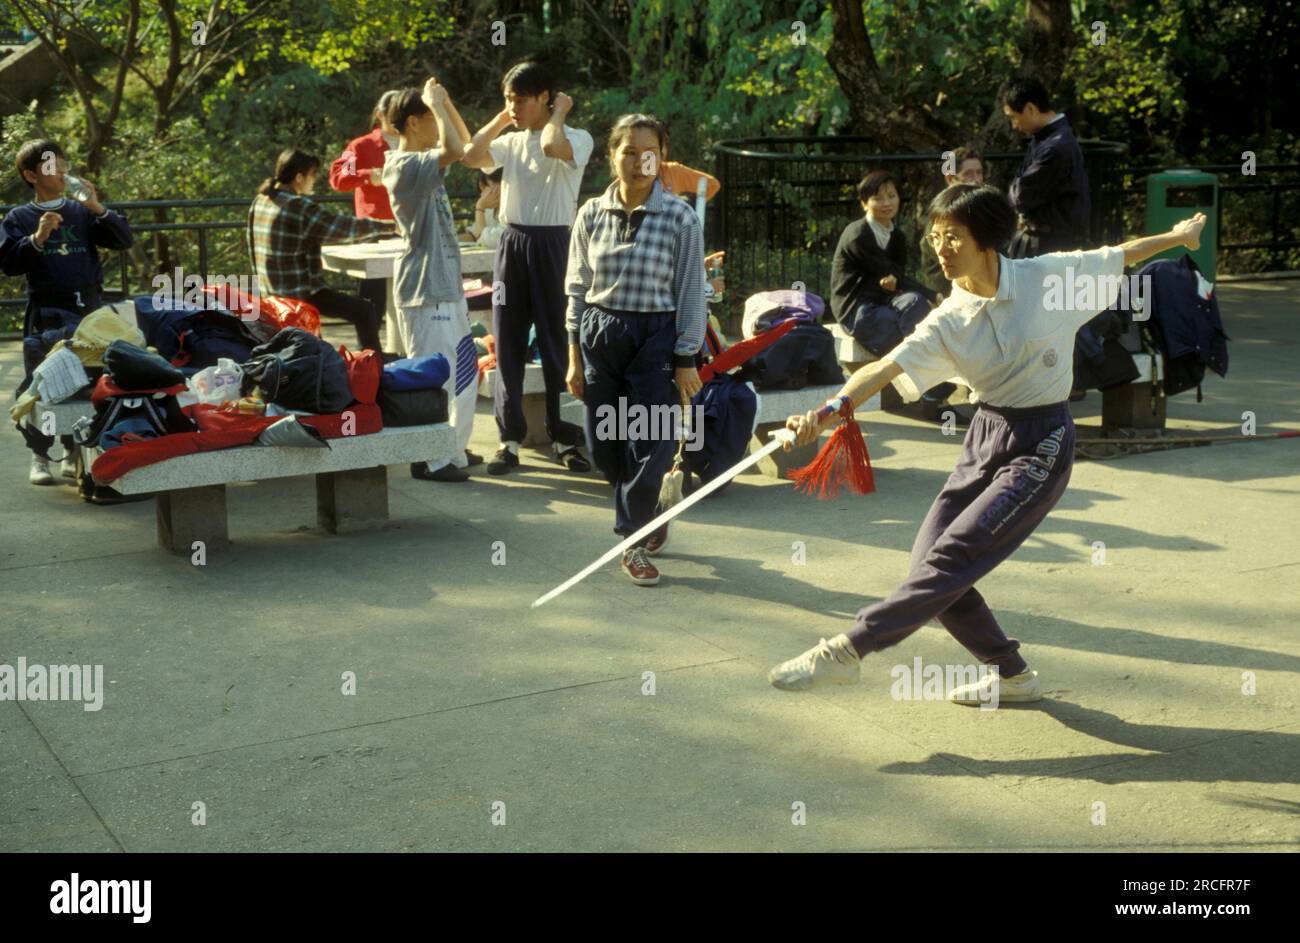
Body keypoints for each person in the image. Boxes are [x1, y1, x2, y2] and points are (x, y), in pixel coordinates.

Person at [767, 184, 1207, 702]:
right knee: (929, 566)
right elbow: (888, 366)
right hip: (986, 436)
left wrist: (1180, 236)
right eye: (935, 237)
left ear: (987, 240)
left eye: (954, 236)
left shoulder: (1047, 278)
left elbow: (1121, 254)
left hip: (1042, 440)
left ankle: (846, 650)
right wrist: (827, 412)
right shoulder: (949, 319)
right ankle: (1013, 675)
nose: (941, 248)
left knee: (950, 560)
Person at [564, 114, 705, 587]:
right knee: (604, 446)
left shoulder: (680, 217)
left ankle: (632, 539)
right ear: (612, 156)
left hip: (656, 341)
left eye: (650, 152)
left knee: (653, 442)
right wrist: (572, 354)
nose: (639, 161)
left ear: (660, 157)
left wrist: (686, 358)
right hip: (600, 335)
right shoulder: (590, 213)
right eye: (629, 150)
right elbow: (577, 287)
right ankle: (651, 509)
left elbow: (691, 291)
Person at [461, 60, 593, 476]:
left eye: (520, 99)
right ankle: (509, 439)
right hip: (513, 241)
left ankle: (566, 438)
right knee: (509, 342)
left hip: (556, 243)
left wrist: (558, 113)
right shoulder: (513, 141)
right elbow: (470, 155)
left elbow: (554, 147)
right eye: (507, 98)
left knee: (560, 344)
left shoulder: (576, 136)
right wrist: (503, 116)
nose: (513, 106)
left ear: (544, 98)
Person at [0, 139, 133, 485]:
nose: (60, 172)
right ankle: (40, 454)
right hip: (46, 310)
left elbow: (122, 239)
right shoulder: (19, 217)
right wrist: (38, 237)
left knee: (86, 381)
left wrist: (97, 207)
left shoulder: (81, 211)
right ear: (30, 175)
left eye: (63, 165)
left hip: (88, 310)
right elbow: (9, 263)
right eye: (50, 167)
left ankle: (74, 449)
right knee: (40, 382)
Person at [382, 80, 478, 483]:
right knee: (435, 374)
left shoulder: (422, 162)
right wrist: (439, 104)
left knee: (466, 372)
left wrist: (445, 101)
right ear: (413, 122)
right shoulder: (404, 166)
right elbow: (455, 150)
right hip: (424, 289)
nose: (437, 125)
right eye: (430, 118)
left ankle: (451, 448)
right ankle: (430, 459)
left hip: (444, 286)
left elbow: (466, 147)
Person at [247, 148, 395, 353]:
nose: (314, 181)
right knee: (365, 310)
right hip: (300, 294)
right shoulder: (297, 206)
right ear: (299, 177)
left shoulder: (261, 200)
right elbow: (341, 224)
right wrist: (389, 226)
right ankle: (373, 364)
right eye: (312, 175)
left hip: (272, 294)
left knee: (360, 310)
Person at [830, 170, 939, 357]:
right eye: (878, 198)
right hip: (857, 307)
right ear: (864, 204)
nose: (887, 203)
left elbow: (897, 275)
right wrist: (933, 294)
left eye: (891, 196)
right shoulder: (857, 235)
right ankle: (921, 377)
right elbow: (887, 271)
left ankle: (924, 370)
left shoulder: (897, 236)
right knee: (891, 325)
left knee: (916, 303)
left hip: (885, 299)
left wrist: (897, 282)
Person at [329, 89, 401, 335]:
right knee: (373, 297)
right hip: (374, 233)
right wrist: (369, 176)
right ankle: (371, 353)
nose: (397, 118)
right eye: (393, 113)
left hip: (409, 230)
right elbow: (340, 177)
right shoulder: (359, 146)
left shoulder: (415, 141)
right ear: (379, 114)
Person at [1001, 76, 1090, 258]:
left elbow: (1020, 195)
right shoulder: (1047, 140)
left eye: (1013, 118)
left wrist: (1016, 189)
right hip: (1043, 240)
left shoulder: (1056, 147)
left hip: (1047, 245)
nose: (1014, 125)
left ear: (1030, 108)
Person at [919, 146, 986, 296]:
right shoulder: (941, 214)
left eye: (979, 173)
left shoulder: (980, 208)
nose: (976, 180)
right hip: (947, 294)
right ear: (950, 178)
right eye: (968, 174)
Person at [459, 168, 503, 243]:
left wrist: (480, 207)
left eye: (485, 189)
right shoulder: (489, 209)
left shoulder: (511, 211)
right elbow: (474, 235)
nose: (483, 196)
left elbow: (483, 240)